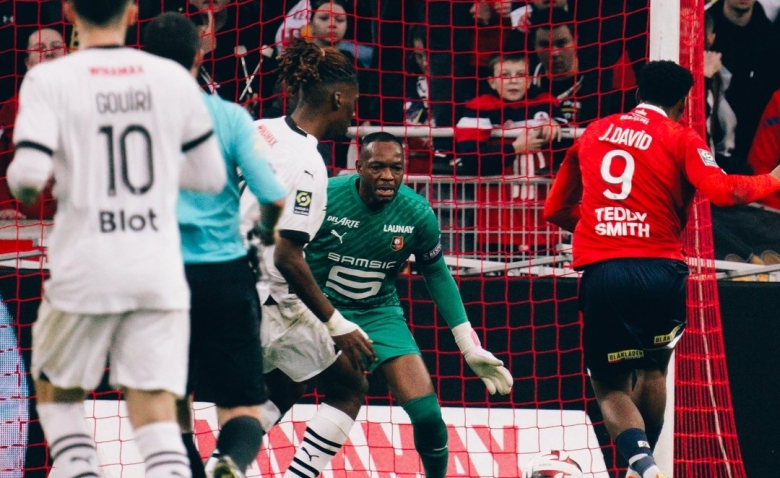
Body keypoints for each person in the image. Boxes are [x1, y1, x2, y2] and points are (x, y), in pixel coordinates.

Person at [6, 0, 226, 477]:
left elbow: (26, 177)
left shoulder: (50, 79)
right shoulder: (170, 78)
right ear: (131, 13)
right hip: (156, 268)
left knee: (55, 390)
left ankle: (81, 467)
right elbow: (210, 177)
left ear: (68, 12)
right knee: (153, 402)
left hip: (85, 264)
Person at [544, 60, 780, 478]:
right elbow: (727, 192)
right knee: (654, 368)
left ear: (638, 94)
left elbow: (555, 208)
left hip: (606, 271)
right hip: (661, 272)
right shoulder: (680, 136)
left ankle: (644, 465)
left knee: (610, 384)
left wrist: (602, 226)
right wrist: (774, 178)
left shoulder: (594, 132)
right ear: (683, 102)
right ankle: (643, 467)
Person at [291, 132, 513, 478]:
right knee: (280, 393)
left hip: (378, 313)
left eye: (396, 168)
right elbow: (287, 249)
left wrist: (469, 345)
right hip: (318, 310)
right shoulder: (327, 196)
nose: (388, 176)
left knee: (428, 415)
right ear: (358, 166)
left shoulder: (415, 212)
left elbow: (437, 275)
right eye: (377, 167)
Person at [211, 37, 375, 478]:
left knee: (291, 378)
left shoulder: (257, 128)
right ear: (338, 98)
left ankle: (225, 462)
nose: (353, 115)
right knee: (349, 385)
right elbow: (287, 255)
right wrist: (337, 323)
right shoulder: (308, 163)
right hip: (267, 299)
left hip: (220, 283)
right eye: (353, 104)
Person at [143, 12, 287, 478]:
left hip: (157, 273)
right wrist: (265, 232)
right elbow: (271, 194)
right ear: (200, 56)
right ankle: (229, 460)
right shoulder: (227, 115)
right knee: (242, 403)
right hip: (224, 273)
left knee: (169, 396)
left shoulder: (130, 117)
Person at [0, 27, 65, 220]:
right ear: (28, 63)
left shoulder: (86, 101)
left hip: (75, 218)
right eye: (40, 48)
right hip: (27, 219)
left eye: (56, 46)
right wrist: (3, 205)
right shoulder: (11, 108)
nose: (50, 51)